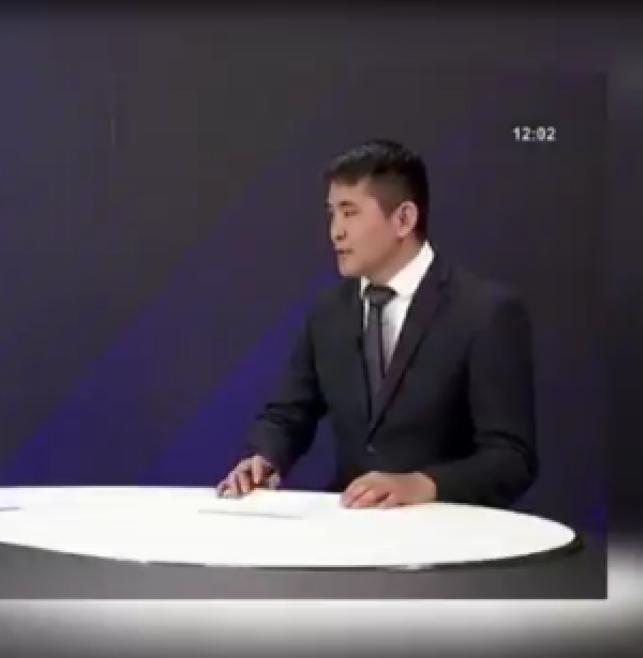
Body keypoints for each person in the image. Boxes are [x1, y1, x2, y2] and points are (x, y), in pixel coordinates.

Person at [217, 139, 537, 509]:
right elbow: (288, 414)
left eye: (350, 213)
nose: (335, 231)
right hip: (351, 524)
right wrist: (264, 457)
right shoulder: (329, 311)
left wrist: (423, 485)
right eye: (332, 214)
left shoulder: (483, 311)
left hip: (446, 527)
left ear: (404, 219)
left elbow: (511, 458)